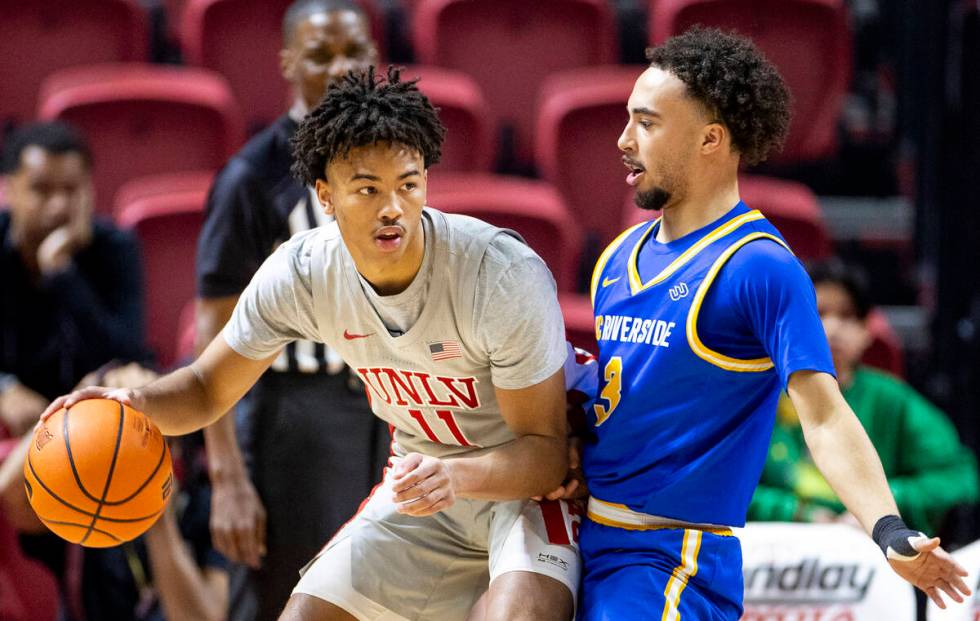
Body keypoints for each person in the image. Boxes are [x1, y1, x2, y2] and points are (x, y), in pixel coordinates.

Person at [45, 66, 580, 621]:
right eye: (368, 189)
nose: (392, 207)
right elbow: (207, 388)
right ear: (326, 195)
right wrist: (136, 407)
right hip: (427, 484)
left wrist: (457, 476)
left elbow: (545, 455)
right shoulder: (304, 271)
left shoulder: (497, 273)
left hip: (517, 488)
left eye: (408, 184)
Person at [573, 27, 971, 619]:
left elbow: (826, 414)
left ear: (710, 138)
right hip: (585, 533)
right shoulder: (617, 257)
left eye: (647, 123)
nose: (624, 139)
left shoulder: (758, 266)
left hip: (669, 556)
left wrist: (887, 528)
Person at [193, 1, 387, 618]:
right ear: (286, 64)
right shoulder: (251, 177)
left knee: (376, 592)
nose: (340, 69)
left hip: (383, 399)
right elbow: (213, 326)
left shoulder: (389, 155)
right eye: (320, 55)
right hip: (292, 416)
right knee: (295, 595)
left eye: (353, 51)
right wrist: (225, 477)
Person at [749, 259, 979, 532]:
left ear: (866, 331)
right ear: (788, 324)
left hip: (872, 553)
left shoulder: (892, 400)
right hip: (774, 555)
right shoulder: (758, 398)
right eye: (817, 313)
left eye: (847, 316)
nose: (832, 328)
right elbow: (718, 486)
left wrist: (881, 511)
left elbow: (959, 477)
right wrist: (796, 513)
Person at [1, 363, 229, 621]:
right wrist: (79, 399)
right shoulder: (76, 490)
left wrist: (156, 516)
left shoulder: (200, 498)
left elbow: (203, 619)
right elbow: (7, 490)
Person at [0, 121, 147, 436]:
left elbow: (125, 353)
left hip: (93, 418)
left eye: (71, 190)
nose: (59, 205)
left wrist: (62, 273)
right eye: (41, 189)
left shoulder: (116, 248)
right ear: (10, 189)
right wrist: (4, 389)